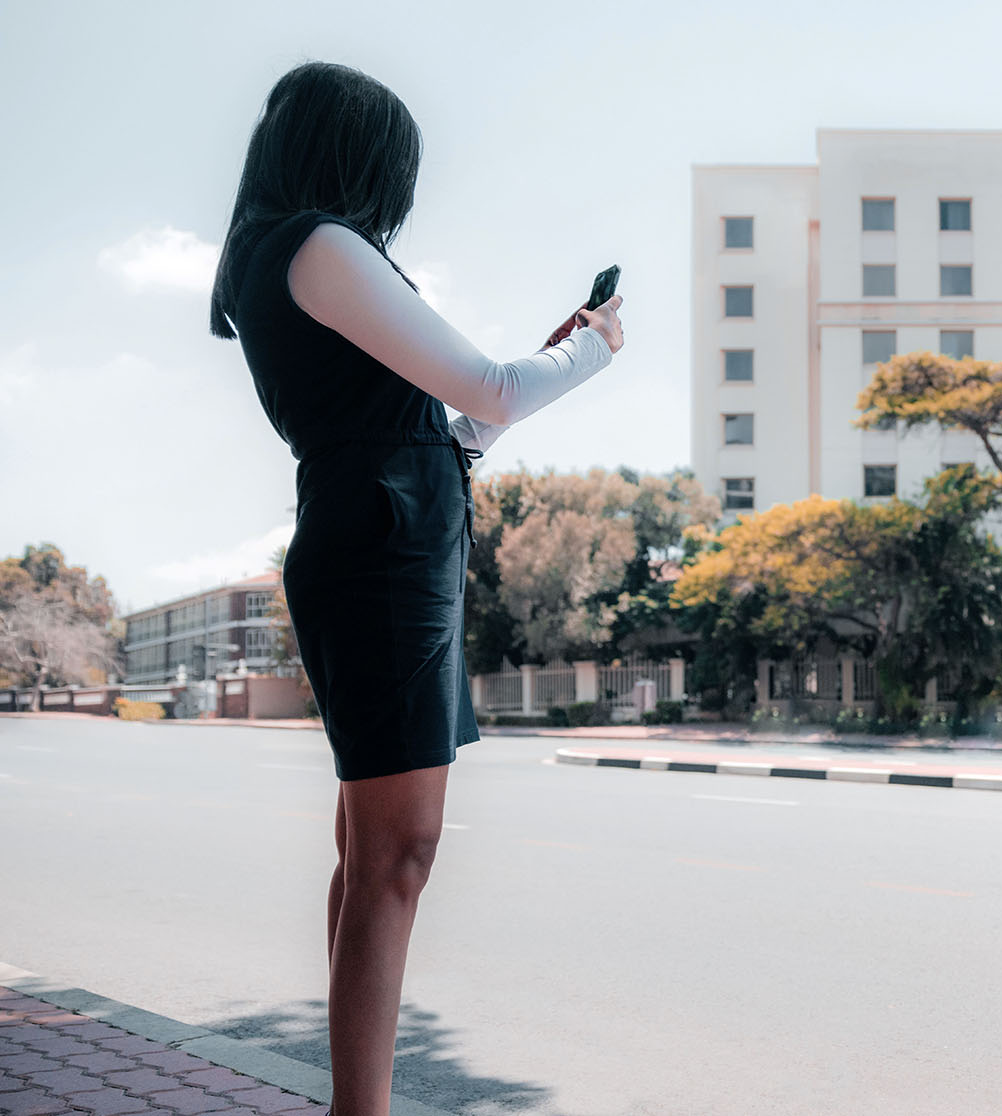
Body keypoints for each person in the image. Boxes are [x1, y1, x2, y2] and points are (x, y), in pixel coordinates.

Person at [207, 62, 623, 1116]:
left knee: (373, 856)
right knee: (397, 857)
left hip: (384, 536)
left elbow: (461, 424)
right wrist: (598, 355)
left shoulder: (288, 258)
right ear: (361, 156)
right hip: (384, 551)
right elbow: (484, 390)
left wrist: (552, 356)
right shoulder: (319, 244)